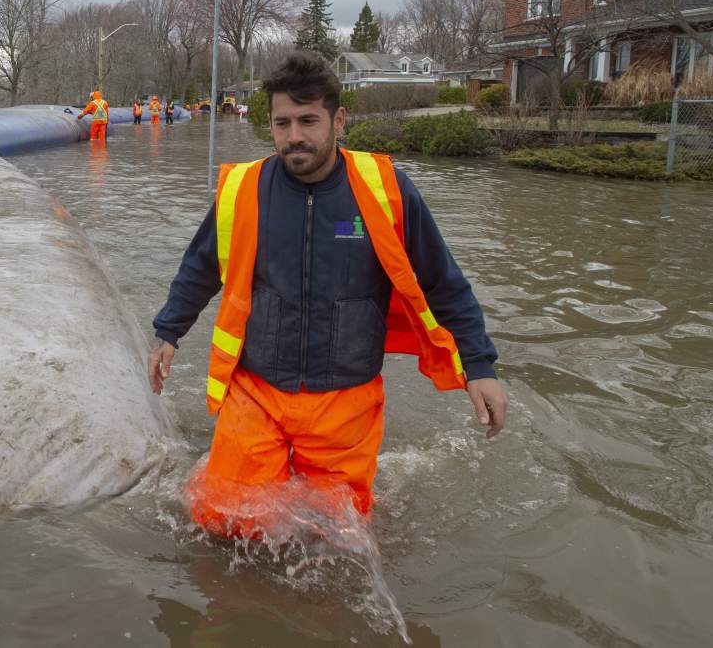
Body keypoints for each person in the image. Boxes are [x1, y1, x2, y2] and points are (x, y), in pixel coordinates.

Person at [147, 52, 507, 537]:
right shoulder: (244, 190)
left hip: (346, 400)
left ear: (338, 120)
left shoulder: (387, 190)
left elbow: (443, 282)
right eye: (282, 122)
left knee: (335, 539)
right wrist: (169, 331)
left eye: (308, 120)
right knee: (224, 525)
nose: (294, 135)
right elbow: (200, 266)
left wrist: (479, 367)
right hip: (256, 391)